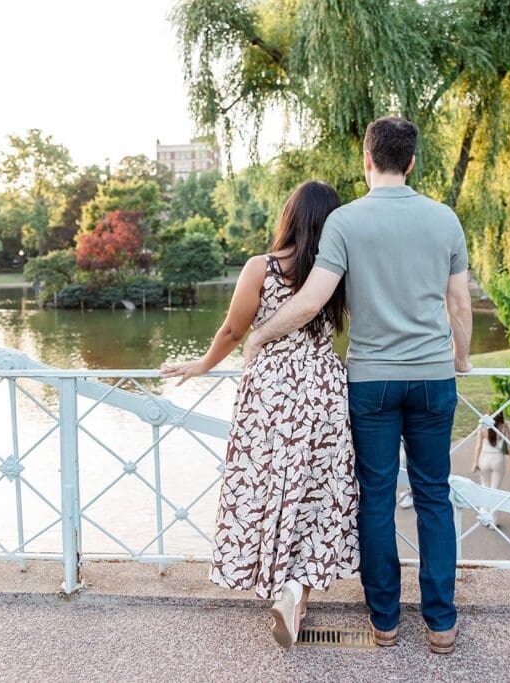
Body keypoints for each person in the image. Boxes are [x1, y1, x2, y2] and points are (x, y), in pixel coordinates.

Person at [242, 116, 473, 655]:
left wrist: (257, 338)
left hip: (371, 383)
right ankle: (440, 624)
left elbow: (310, 302)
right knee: (433, 495)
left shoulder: (346, 222)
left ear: (367, 160)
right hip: (433, 378)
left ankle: (386, 621)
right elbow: (458, 304)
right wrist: (459, 358)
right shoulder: (445, 220)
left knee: (376, 498)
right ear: (412, 161)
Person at [160, 181, 360, 650]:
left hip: (271, 390)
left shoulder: (261, 268)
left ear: (289, 216)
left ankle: (277, 582)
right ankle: (295, 592)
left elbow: (233, 328)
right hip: (324, 389)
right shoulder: (338, 271)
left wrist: (202, 364)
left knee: (269, 484)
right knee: (317, 491)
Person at [473, 413, 510, 490]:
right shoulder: (504, 427)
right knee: (495, 489)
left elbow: (478, 446)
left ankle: (484, 501)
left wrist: (475, 462)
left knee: (485, 486)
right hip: (498, 458)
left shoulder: (482, 426)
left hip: (484, 458)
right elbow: (509, 446)